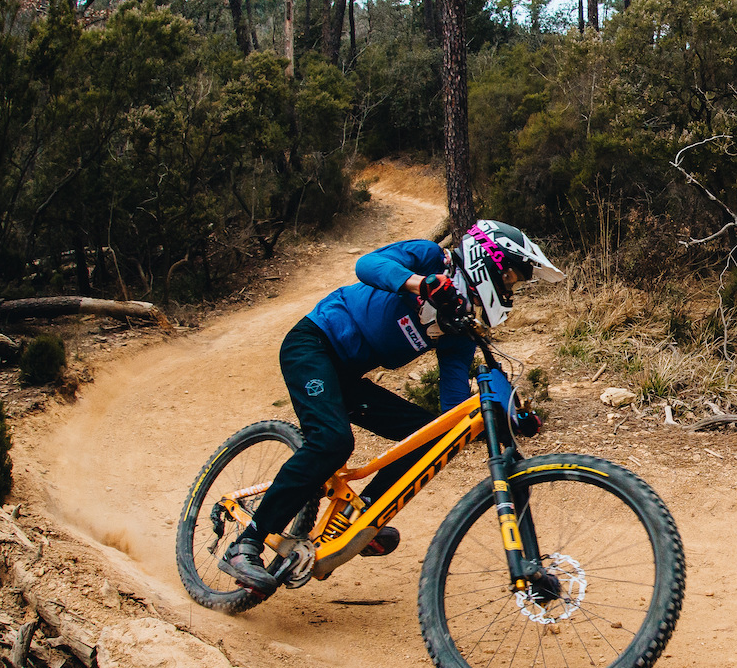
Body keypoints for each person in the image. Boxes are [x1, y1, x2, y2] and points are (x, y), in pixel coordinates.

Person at [221, 220, 564, 595]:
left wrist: (505, 418)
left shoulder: (455, 326)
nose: (511, 288)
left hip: (347, 376)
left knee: (427, 438)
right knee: (332, 442)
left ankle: (360, 517)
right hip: (313, 345)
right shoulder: (430, 258)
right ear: (489, 259)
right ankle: (247, 543)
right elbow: (367, 265)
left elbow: (452, 409)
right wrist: (419, 283)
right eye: (511, 277)